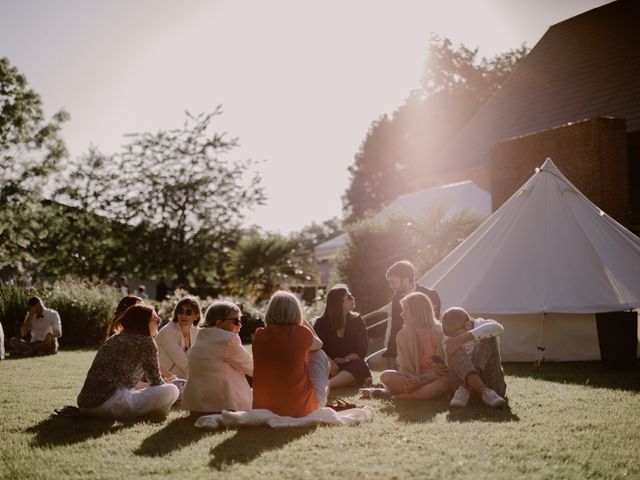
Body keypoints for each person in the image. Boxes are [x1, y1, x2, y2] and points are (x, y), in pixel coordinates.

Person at [77, 304, 179, 419]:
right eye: (156, 320)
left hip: (85, 405)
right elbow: (155, 382)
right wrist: (167, 383)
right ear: (144, 322)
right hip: (107, 405)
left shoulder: (115, 338)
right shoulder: (146, 342)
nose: (158, 324)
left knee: (142, 391)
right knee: (172, 390)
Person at [252, 291, 329, 417]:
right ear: (297, 312)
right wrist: (302, 321)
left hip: (263, 409)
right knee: (319, 354)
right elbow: (319, 344)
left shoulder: (259, 335)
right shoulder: (302, 334)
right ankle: (317, 406)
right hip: (299, 410)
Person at [366, 260, 441, 371]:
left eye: (394, 282)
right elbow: (395, 329)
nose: (391, 286)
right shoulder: (396, 298)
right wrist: (390, 360)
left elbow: (432, 327)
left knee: (400, 361)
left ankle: (410, 369)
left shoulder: (429, 295)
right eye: (390, 282)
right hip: (403, 342)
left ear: (406, 281)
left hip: (424, 345)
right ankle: (400, 369)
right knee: (371, 362)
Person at [374, 292, 451, 400]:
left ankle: (401, 397)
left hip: (435, 379)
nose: (402, 314)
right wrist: (413, 380)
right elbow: (405, 369)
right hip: (415, 378)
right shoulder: (402, 335)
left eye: (406, 310)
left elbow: (447, 369)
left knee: (444, 383)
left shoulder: (440, 332)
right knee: (386, 376)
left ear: (417, 311)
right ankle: (423, 393)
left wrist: (423, 381)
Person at [181, 301, 253, 416]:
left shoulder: (202, 337)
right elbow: (253, 369)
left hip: (197, 407)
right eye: (236, 321)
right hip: (223, 407)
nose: (240, 325)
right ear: (219, 323)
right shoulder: (227, 339)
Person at [441, 307, 507, 408]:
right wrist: (453, 346)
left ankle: (473, 389)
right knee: (453, 348)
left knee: (488, 337)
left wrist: (462, 338)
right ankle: (482, 391)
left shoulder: (481, 324)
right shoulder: (448, 338)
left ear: (468, 324)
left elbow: (499, 327)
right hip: (461, 392)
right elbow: (451, 369)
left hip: (494, 386)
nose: (454, 338)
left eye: (456, 335)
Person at [313, 284, 371, 388]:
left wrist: (346, 359)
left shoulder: (357, 321)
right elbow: (316, 348)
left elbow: (362, 350)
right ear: (338, 303)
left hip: (349, 364)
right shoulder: (320, 324)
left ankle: (328, 385)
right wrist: (330, 363)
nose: (353, 298)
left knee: (360, 365)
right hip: (328, 366)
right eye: (348, 296)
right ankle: (349, 379)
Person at [155, 296, 201, 379]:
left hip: (182, 375)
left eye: (188, 312)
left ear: (196, 316)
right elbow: (183, 363)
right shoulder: (167, 332)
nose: (183, 315)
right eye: (180, 312)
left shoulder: (195, 331)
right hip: (163, 378)